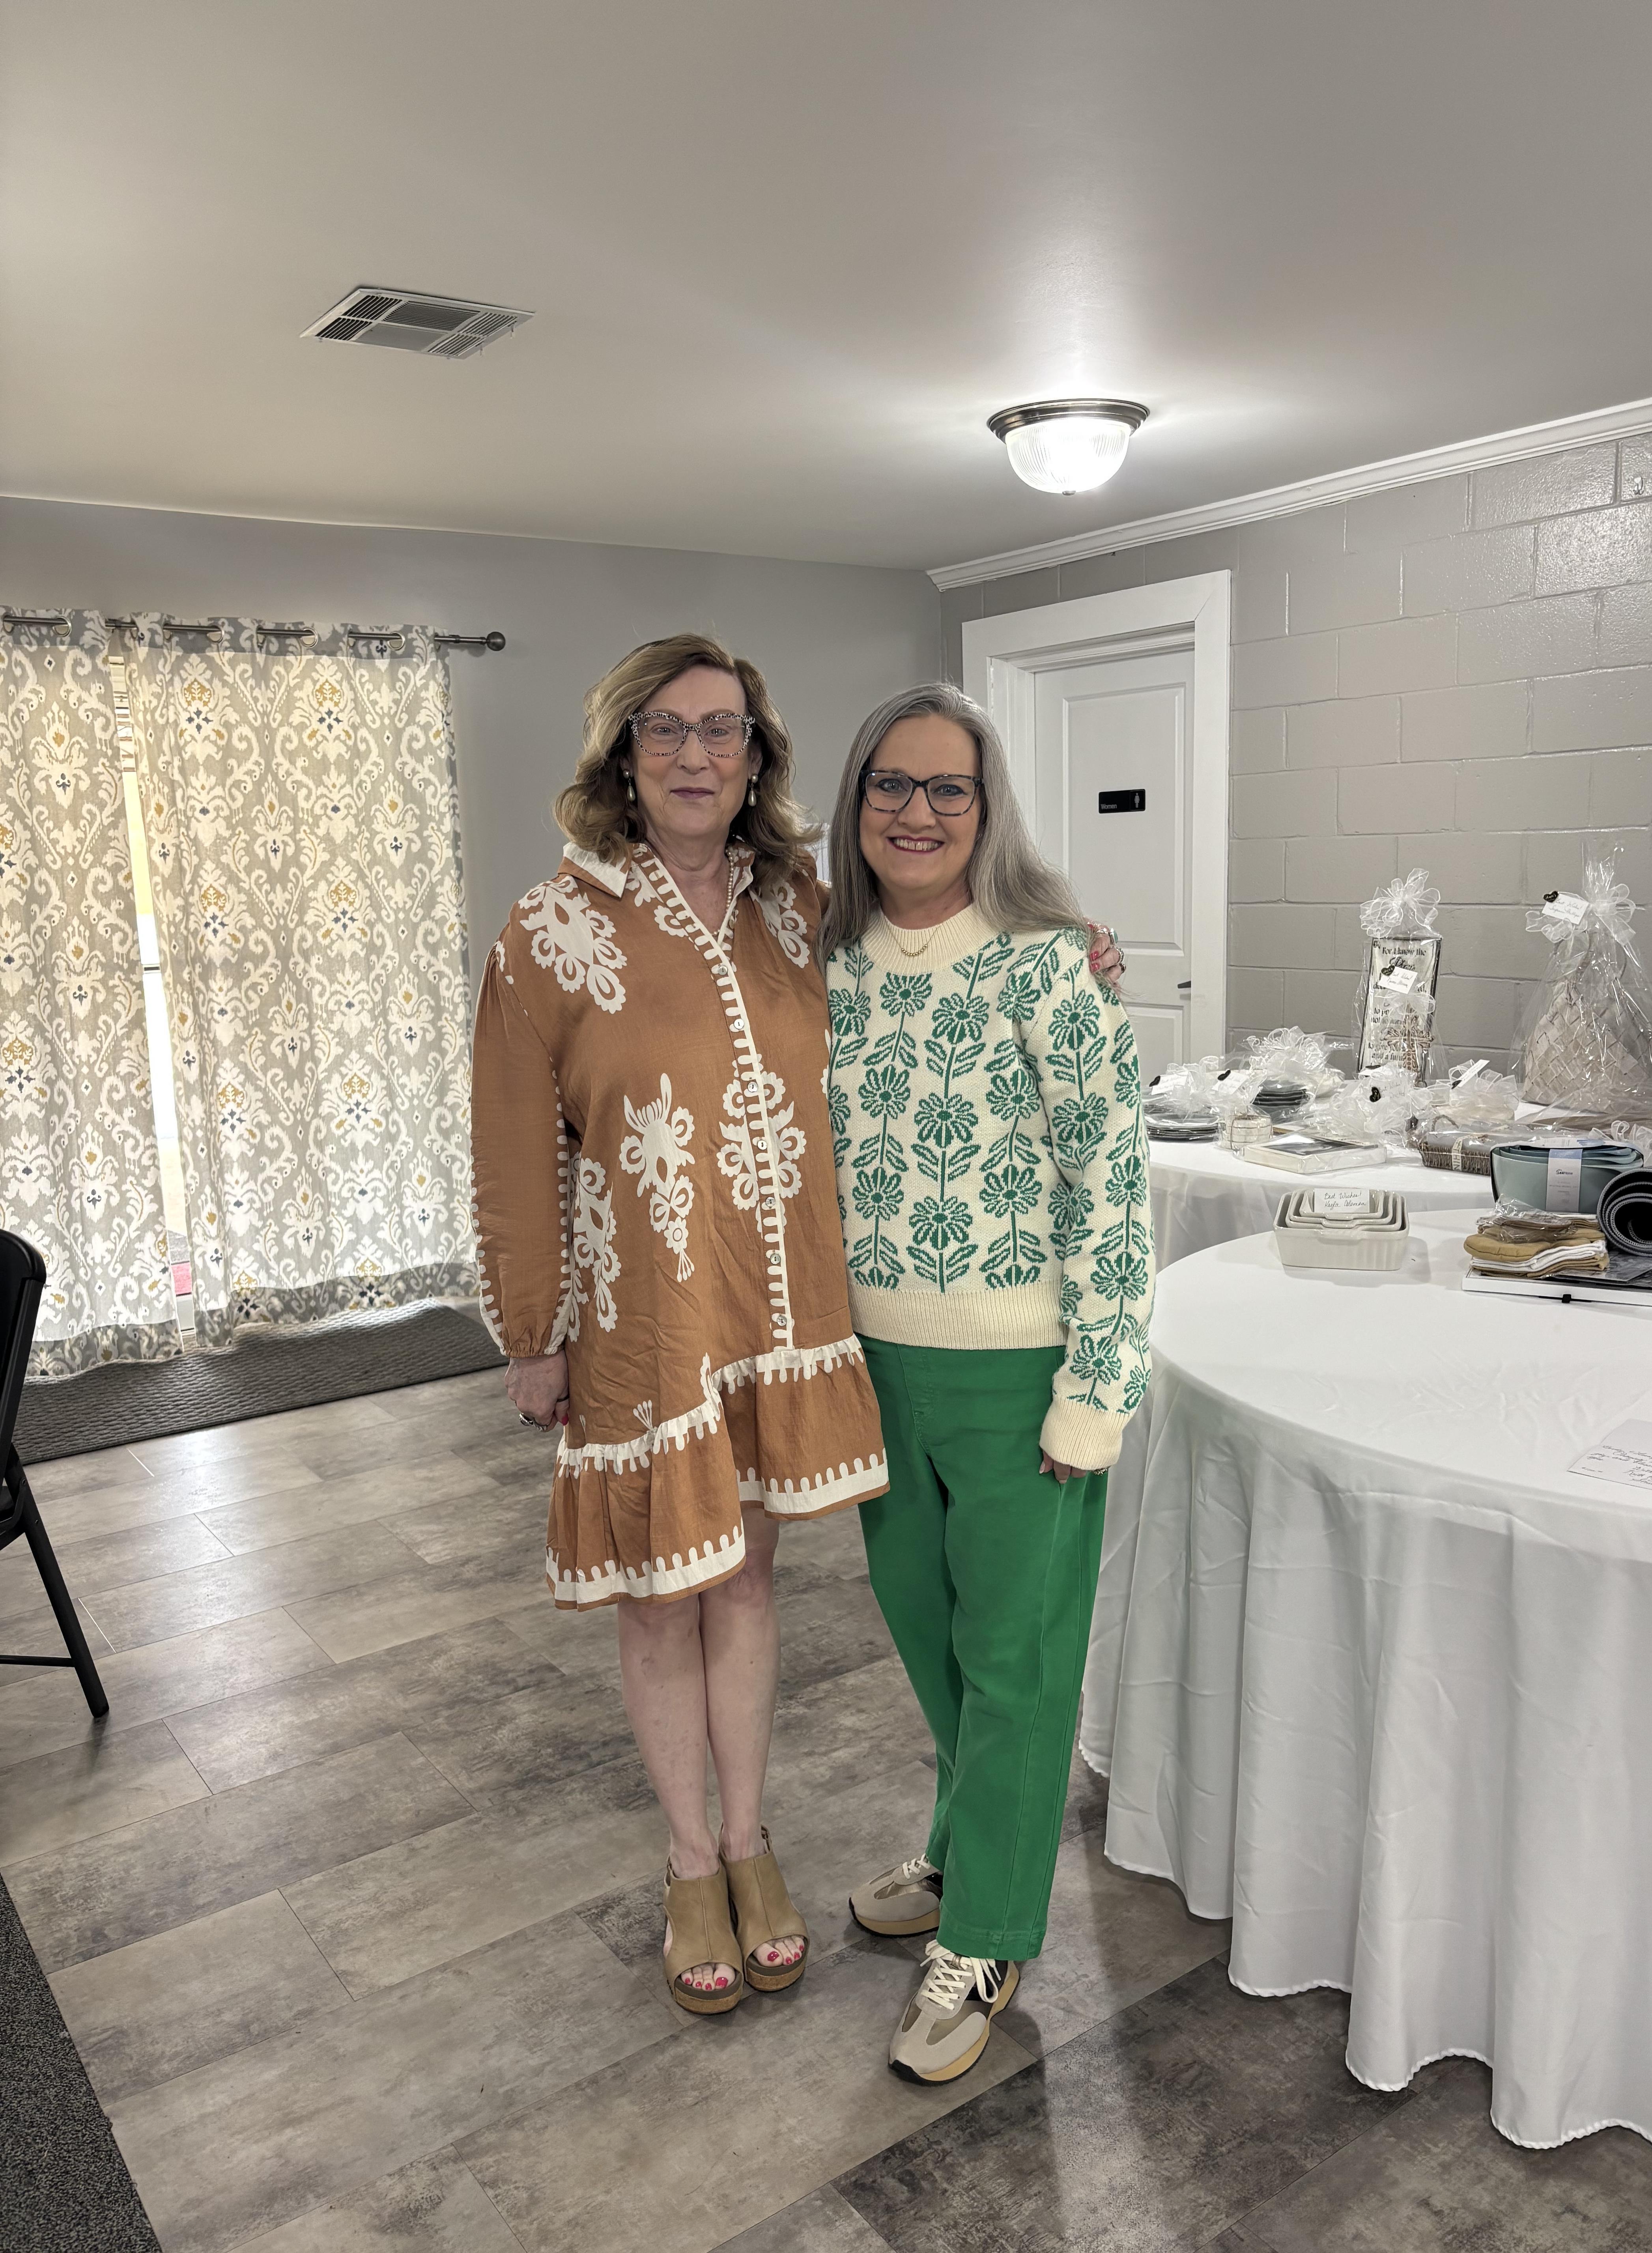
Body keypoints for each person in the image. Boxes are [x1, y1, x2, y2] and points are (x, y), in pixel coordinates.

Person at [470, 632, 890, 2016]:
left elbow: (941, 957)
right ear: (623, 757)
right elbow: (510, 1149)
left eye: (722, 730)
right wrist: (531, 1331)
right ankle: (686, 1862)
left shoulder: (803, 908)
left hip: (776, 1308)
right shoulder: (548, 929)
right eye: (665, 730)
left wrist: (1072, 945)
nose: (696, 755)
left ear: (757, 757)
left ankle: (749, 1840)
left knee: (750, 1581)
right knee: (662, 1596)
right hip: (640, 1317)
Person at [821, 682, 1155, 2085]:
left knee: (1015, 1667)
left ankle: (990, 1932)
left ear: (985, 805)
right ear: (856, 803)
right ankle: (968, 1842)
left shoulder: (1047, 967)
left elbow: (1110, 1186)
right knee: (931, 1642)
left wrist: (1098, 1387)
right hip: (869, 1371)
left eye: (946, 788)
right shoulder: (819, 964)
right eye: (889, 785)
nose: (916, 811)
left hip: (1020, 1374)